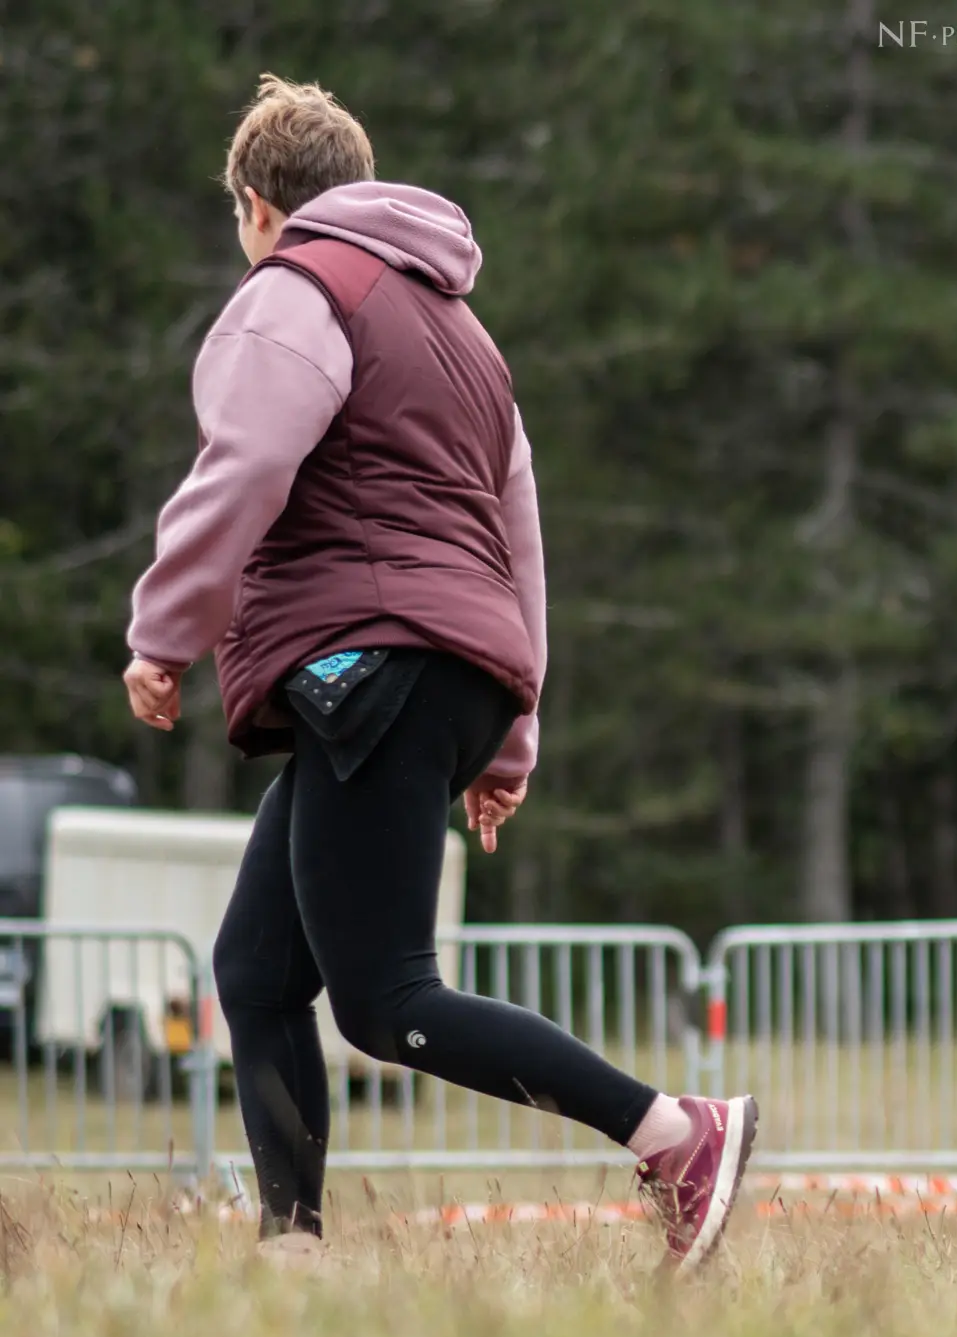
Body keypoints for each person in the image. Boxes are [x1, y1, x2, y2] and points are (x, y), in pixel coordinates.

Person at [121, 75, 756, 1269]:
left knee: (387, 1000)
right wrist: (509, 733)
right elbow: (520, 542)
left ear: (260, 206)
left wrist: (162, 631)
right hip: (443, 670)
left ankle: (674, 1132)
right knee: (256, 970)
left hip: (368, 658)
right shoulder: (466, 336)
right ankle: (291, 1249)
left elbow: (243, 466)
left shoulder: (297, 289)